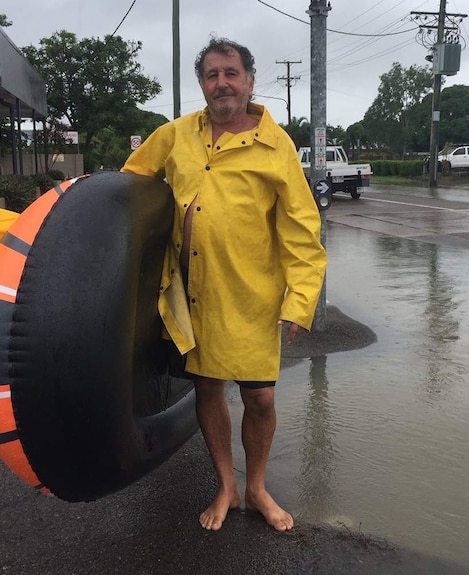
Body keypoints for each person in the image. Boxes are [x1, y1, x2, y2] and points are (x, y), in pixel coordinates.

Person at [121, 37, 327, 532]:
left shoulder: (276, 147)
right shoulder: (175, 135)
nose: (222, 83)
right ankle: (226, 485)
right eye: (212, 75)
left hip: (252, 297)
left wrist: (299, 300)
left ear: (250, 81)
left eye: (230, 73)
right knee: (207, 389)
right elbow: (132, 184)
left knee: (260, 398)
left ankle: (255, 486)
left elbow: (301, 229)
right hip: (191, 295)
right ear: (202, 85)